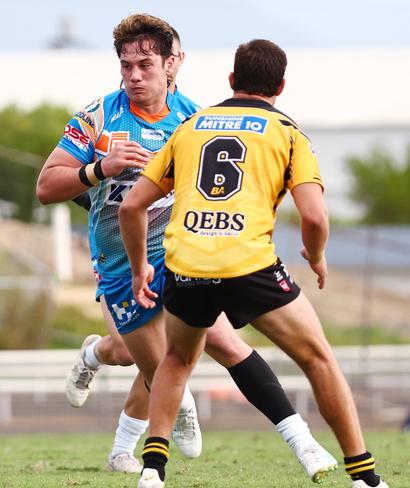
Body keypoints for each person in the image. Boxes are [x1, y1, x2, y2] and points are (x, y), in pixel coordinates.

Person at [38, 14, 335, 482]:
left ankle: (303, 442)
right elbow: (45, 186)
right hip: (119, 264)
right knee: (143, 360)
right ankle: (97, 357)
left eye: (146, 64)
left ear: (173, 63)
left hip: (179, 255)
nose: (134, 76)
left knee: (221, 340)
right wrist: (100, 168)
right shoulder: (97, 116)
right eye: (126, 65)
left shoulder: (194, 119)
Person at [119, 39, 390, 488]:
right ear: (280, 85)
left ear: (231, 81)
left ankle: (153, 470)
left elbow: (131, 207)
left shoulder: (191, 127)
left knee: (177, 358)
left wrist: (137, 269)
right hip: (249, 265)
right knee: (319, 358)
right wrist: (317, 256)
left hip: (187, 264)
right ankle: (364, 475)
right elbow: (315, 215)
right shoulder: (288, 132)